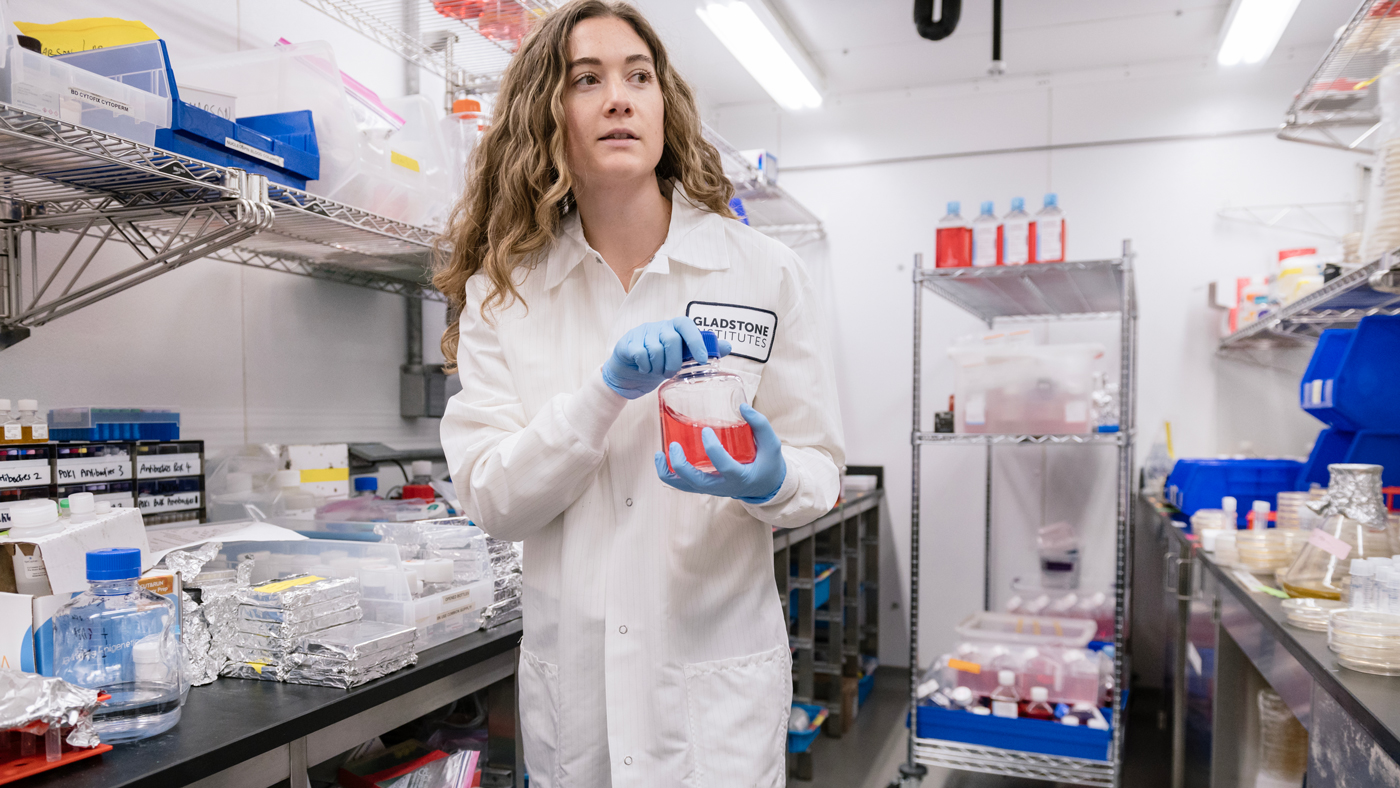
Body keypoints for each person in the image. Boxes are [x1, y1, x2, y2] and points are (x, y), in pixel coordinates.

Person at [436, 2, 844, 785]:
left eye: (639, 76)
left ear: (665, 106)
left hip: (715, 705)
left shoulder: (761, 272)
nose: (619, 97)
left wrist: (773, 478)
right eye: (586, 79)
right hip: (578, 705)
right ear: (546, 115)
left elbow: (819, 463)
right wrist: (602, 396)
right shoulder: (505, 294)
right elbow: (493, 498)